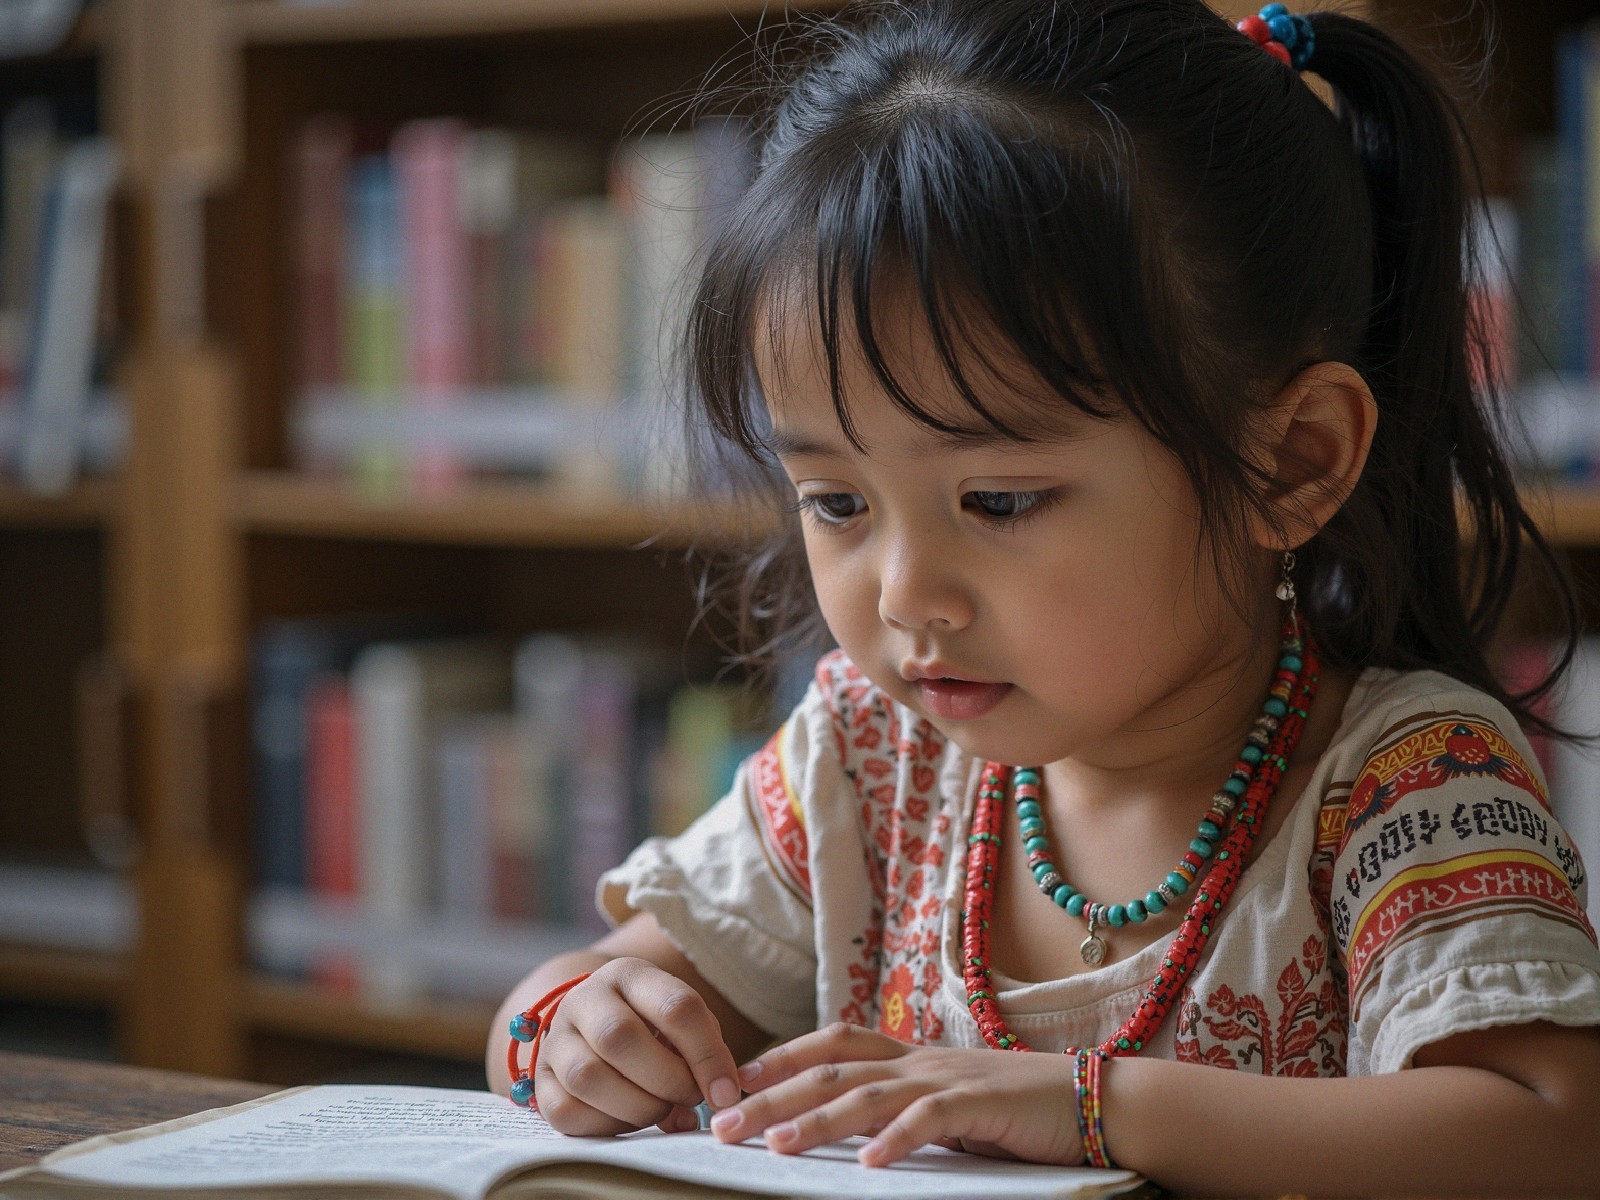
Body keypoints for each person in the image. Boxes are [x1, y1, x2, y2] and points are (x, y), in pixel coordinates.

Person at [488, 1, 1600, 1192]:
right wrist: (575, 1029)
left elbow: (1551, 1131)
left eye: (1001, 502)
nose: (908, 595)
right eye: (835, 503)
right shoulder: (869, 762)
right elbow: (549, 1004)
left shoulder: (1406, 784)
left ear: (1295, 461)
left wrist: (1089, 1104)